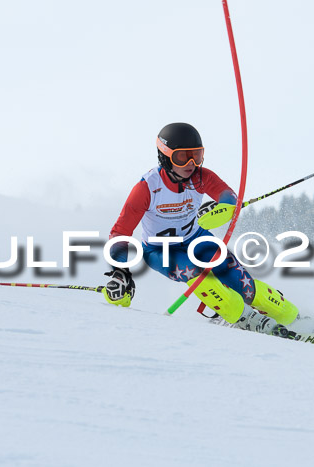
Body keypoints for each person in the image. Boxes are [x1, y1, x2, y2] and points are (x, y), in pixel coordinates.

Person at [103, 122, 300, 336]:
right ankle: (242, 317)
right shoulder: (147, 188)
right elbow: (120, 232)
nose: (191, 163)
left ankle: (293, 317)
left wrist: (218, 211)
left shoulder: (200, 177)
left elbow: (229, 198)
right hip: (161, 251)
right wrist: (121, 271)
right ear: (164, 156)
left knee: (243, 284)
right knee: (196, 274)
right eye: (182, 157)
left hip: (196, 239)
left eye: (196, 156)